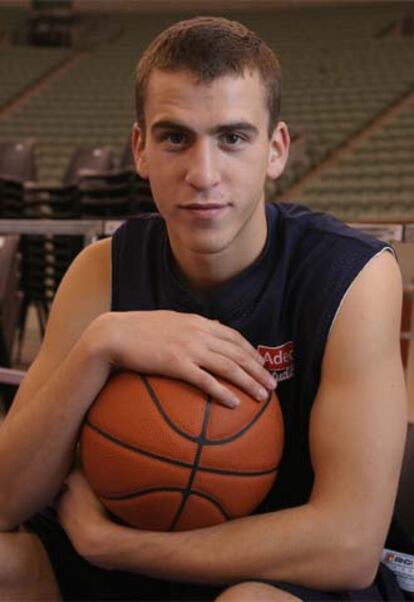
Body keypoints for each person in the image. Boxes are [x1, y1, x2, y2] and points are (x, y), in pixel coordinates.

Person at [0, 16, 408, 602]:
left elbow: (349, 546)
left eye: (233, 138)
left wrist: (118, 547)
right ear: (140, 148)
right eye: (175, 138)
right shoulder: (103, 270)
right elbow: (8, 498)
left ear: (276, 150)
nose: (203, 174)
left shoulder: (352, 276)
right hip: (127, 552)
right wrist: (100, 345)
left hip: (279, 568)